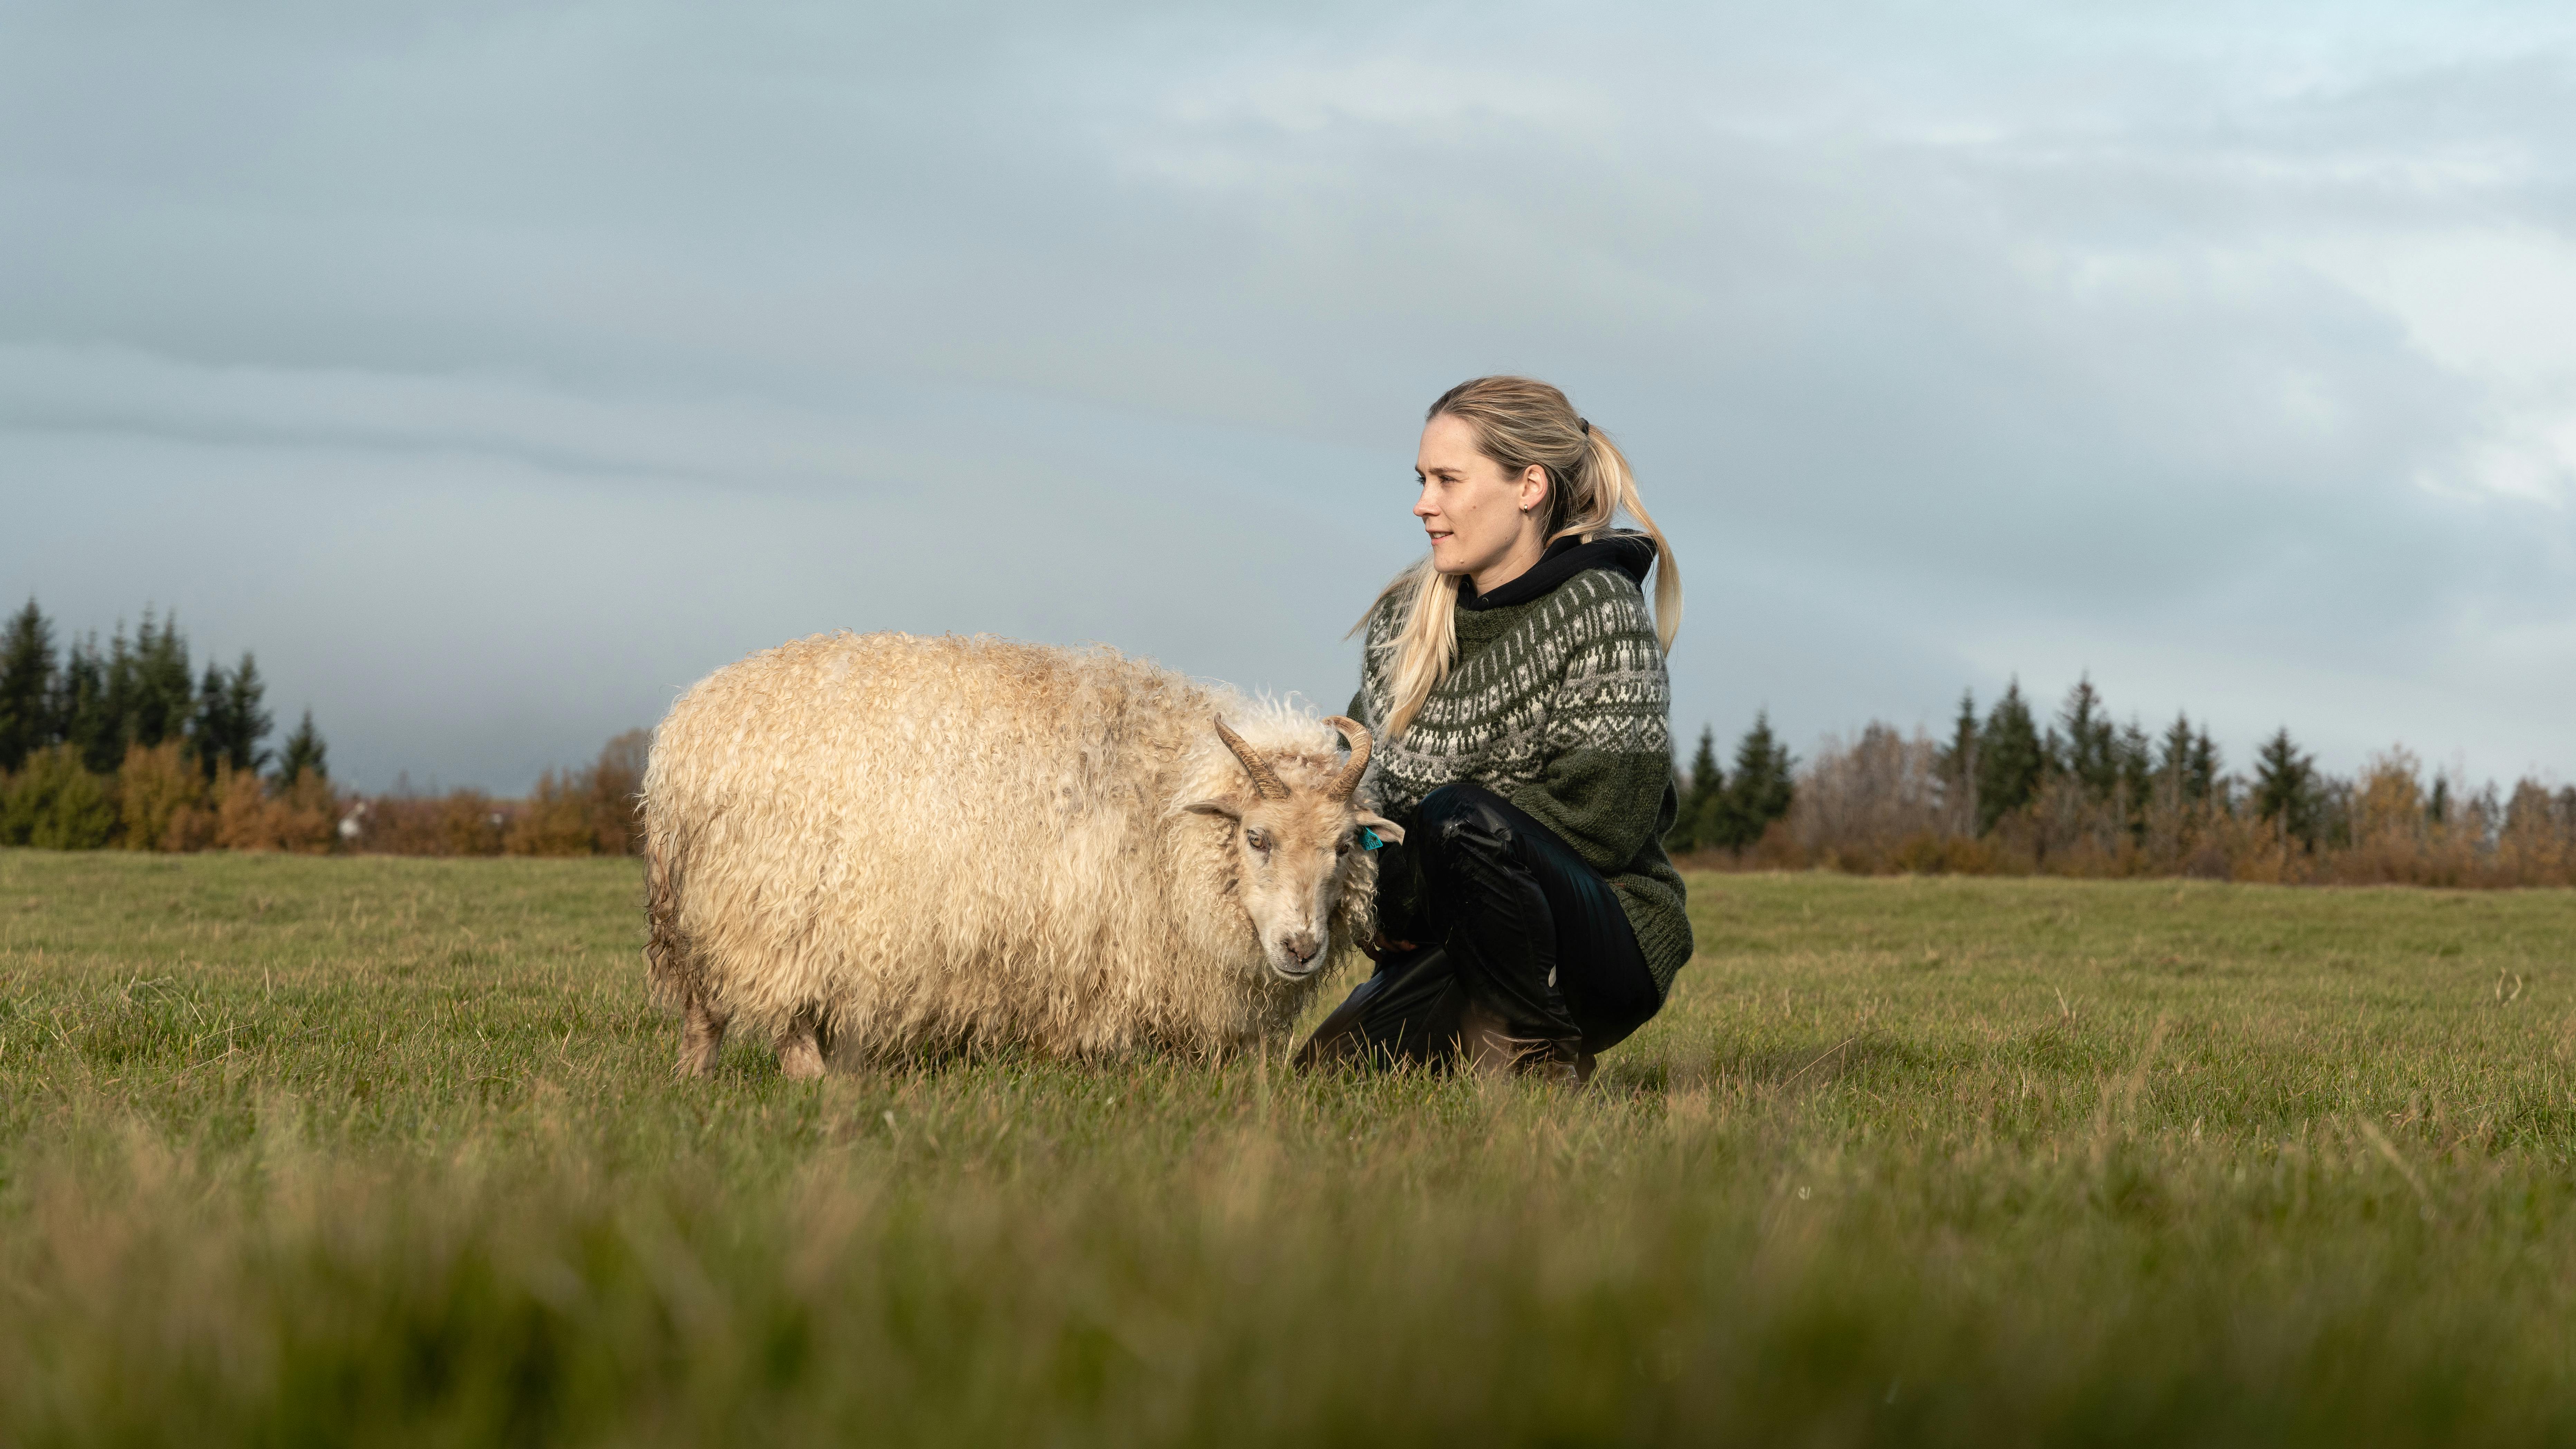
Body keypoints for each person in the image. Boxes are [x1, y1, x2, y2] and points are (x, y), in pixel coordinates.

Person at [1297, 376, 1691, 1086]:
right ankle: (1489, 1046)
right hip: (1448, 939)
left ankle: (1541, 1064)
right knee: (1328, 1076)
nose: (1423, 504)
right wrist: (1378, 891)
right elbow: (1349, 801)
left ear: (1529, 487)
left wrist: (1418, 866)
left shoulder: (1600, 609)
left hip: (1598, 943)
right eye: (1422, 480)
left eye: (1448, 480)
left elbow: (1603, 821)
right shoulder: (1403, 622)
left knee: (1460, 818)